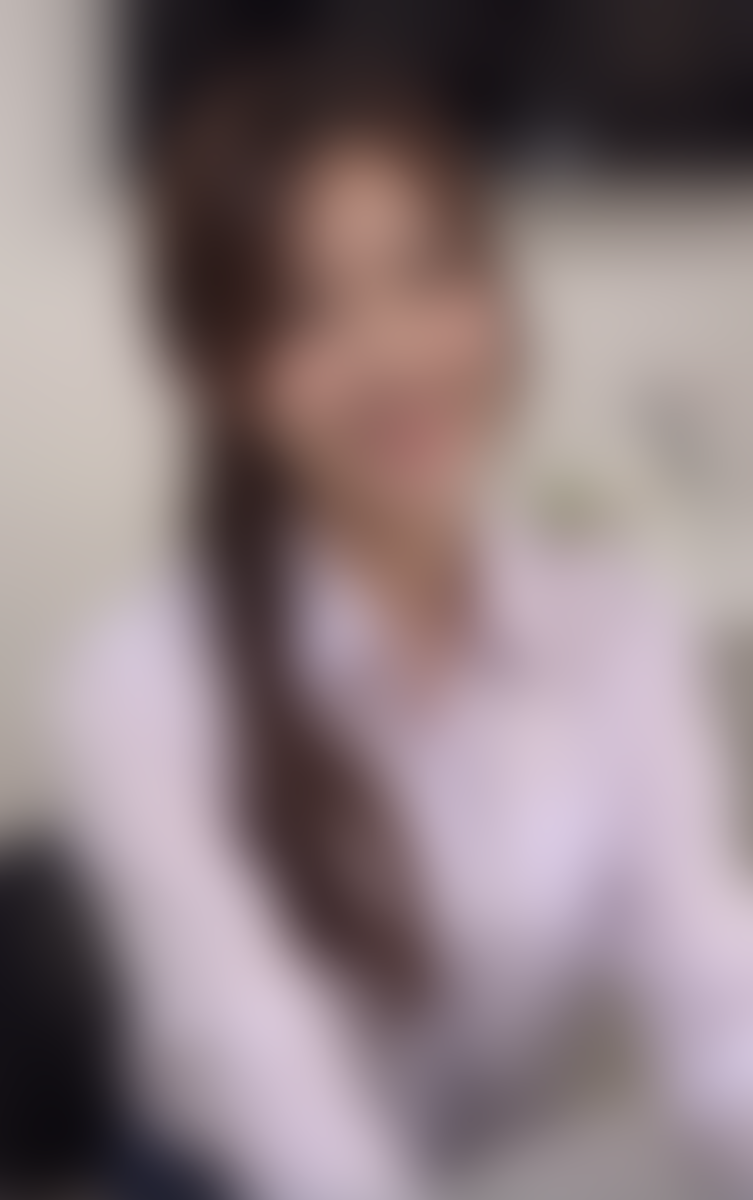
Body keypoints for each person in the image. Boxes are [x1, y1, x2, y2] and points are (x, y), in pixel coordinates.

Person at [51, 47, 753, 1200]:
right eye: (305, 309)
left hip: (482, 1163)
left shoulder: (619, 624)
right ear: (222, 373)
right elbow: (281, 1090)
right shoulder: (141, 692)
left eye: (429, 273)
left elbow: (712, 978)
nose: (395, 352)